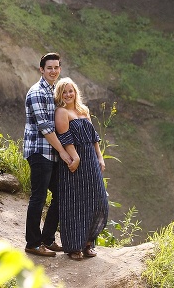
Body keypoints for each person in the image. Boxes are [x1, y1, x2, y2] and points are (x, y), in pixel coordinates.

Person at [53, 77, 109, 261]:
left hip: (91, 159)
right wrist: (75, 157)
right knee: (75, 202)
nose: (68, 94)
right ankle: (74, 246)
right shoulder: (61, 112)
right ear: (60, 95)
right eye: (64, 92)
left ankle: (88, 243)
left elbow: (94, 137)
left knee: (97, 199)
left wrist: (99, 157)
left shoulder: (84, 110)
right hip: (74, 161)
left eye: (71, 91)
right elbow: (64, 136)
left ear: (75, 92)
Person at [24, 52, 73, 257]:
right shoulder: (37, 92)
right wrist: (63, 152)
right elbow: (45, 128)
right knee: (38, 196)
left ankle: (47, 239)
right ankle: (33, 243)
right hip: (39, 152)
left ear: (60, 69)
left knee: (61, 193)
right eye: (49, 68)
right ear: (41, 70)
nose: (53, 71)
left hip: (51, 154)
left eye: (56, 67)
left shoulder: (54, 92)